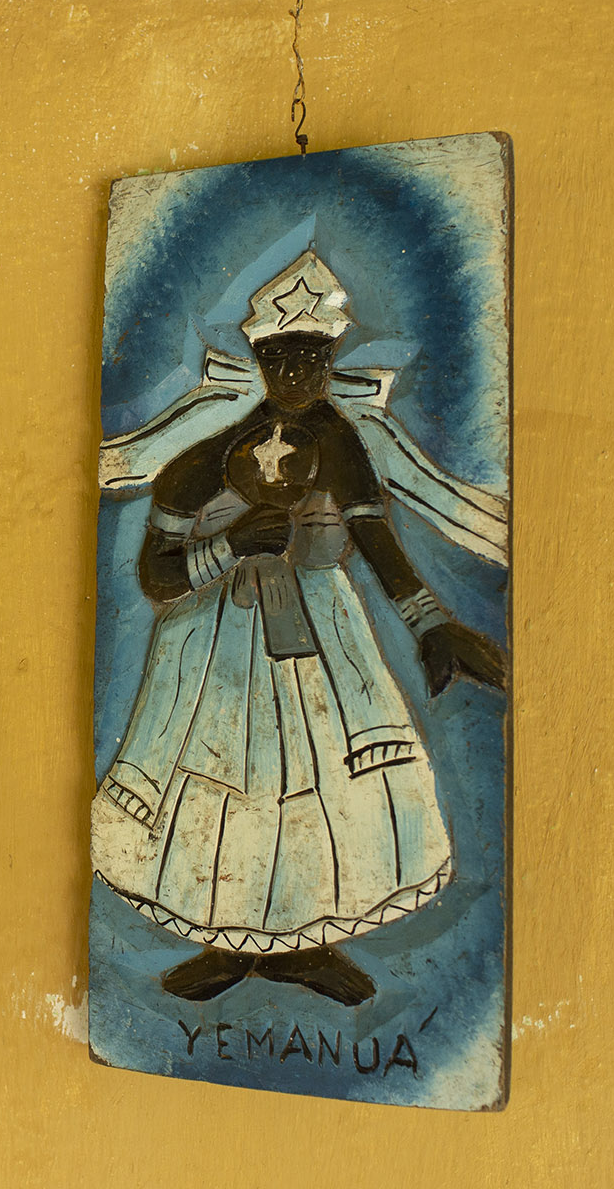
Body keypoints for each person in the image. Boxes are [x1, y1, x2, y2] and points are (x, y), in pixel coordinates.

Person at [91, 250, 505, 1006]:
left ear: (330, 359)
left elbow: (374, 537)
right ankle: (226, 942)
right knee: (227, 779)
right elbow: (157, 576)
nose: (295, 374)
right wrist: (229, 547)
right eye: (280, 359)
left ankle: (302, 946)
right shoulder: (204, 458)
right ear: (259, 361)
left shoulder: (341, 445)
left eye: (311, 358)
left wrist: (429, 624)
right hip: (214, 648)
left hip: (321, 640)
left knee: (317, 783)